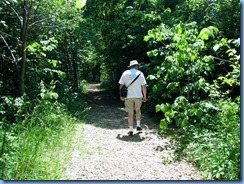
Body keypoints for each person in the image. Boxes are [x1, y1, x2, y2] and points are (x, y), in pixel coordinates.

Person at [118, 60, 147, 136]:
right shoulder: (140, 74)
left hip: (128, 97)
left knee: (130, 113)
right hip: (138, 96)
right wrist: (144, 96)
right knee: (138, 110)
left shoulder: (125, 73)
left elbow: (121, 85)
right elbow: (143, 86)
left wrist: (121, 95)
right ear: (136, 66)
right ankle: (138, 125)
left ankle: (131, 130)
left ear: (130, 66)